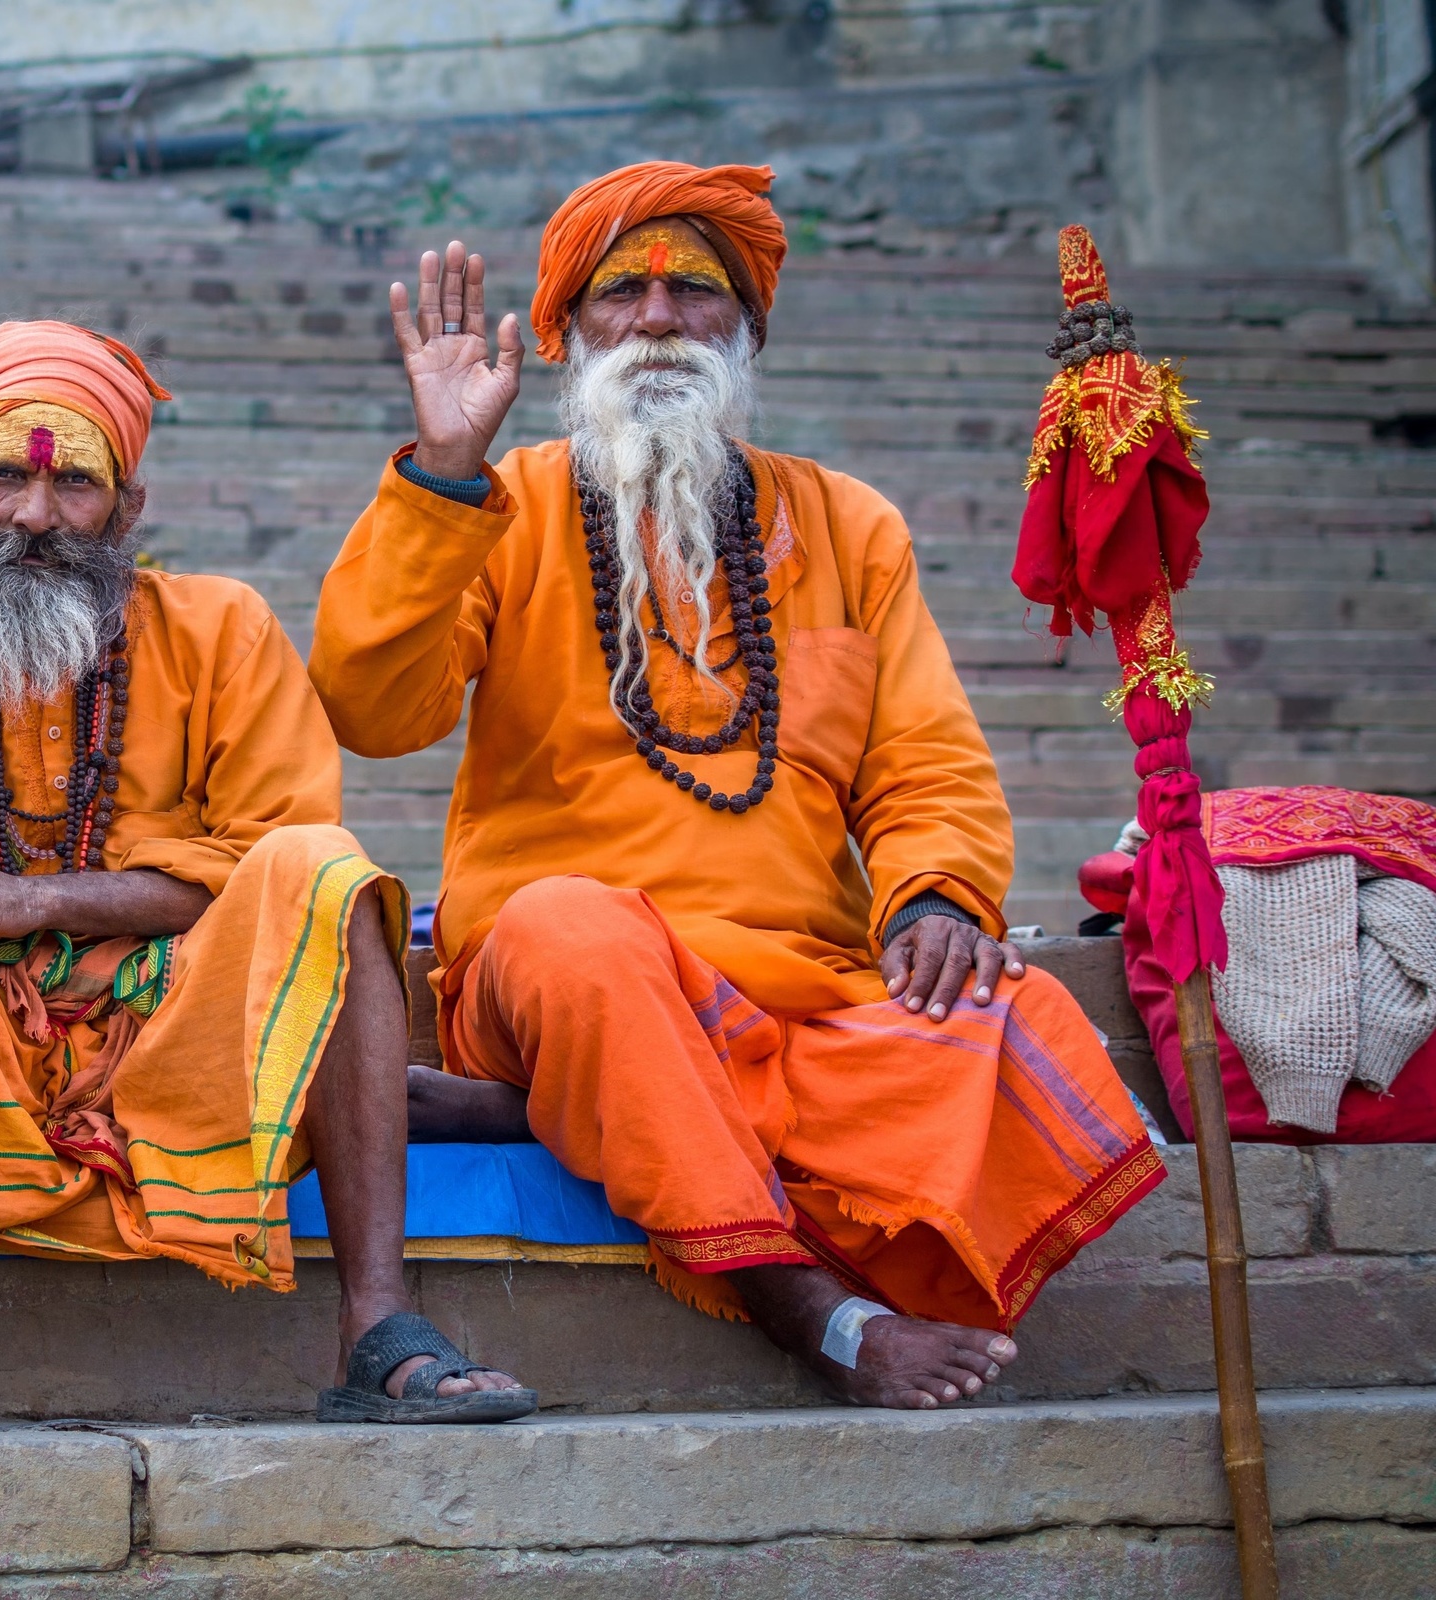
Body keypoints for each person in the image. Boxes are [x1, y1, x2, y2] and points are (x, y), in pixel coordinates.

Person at [309, 162, 1165, 1410]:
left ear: (745, 326)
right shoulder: (502, 510)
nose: (656, 318)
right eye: (622, 294)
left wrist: (933, 897)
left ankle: (564, 1113)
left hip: (791, 991)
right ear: (570, 329)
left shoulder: (849, 524)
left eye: (694, 293)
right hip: (562, 969)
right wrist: (442, 473)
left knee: (1009, 1019)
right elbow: (372, 710)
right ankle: (812, 1311)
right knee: (576, 932)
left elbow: (925, 760)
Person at [0, 320, 531, 1433]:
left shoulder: (221, 631)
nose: (32, 514)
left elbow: (271, 851)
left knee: (329, 868)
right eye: (2, 478)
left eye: (73, 484)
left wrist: (40, 900)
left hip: (182, 1038)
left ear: (128, 509)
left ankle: (375, 1323)